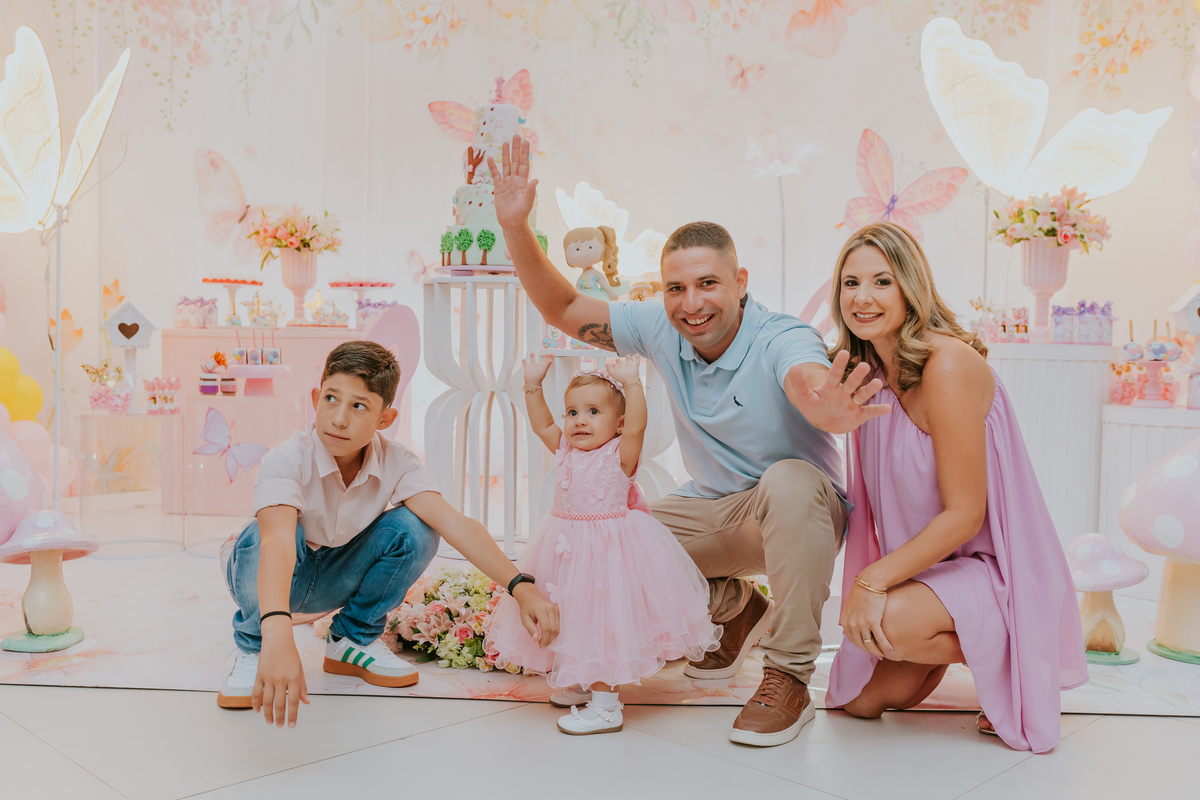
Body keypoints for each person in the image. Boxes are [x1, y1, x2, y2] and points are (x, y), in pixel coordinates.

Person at [488, 135, 888, 747]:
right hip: (710, 509)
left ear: (740, 281)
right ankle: (734, 608)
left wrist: (827, 405)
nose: (692, 304)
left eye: (708, 284)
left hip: (794, 512)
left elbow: (807, 380)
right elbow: (565, 305)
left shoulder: (782, 336)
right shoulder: (657, 326)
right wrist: (516, 227)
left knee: (789, 477)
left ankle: (787, 677)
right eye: (677, 288)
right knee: (605, 531)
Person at [823, 222, 1088, 753]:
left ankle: (1019, 642)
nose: (863, 297)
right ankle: (976, 646)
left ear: (910, 287)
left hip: (992, 571)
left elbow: (966, 515)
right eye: (850, 283)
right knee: (861, 703)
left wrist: (872, 582)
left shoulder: (947, 365)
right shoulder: (866, 372)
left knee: (889, 624)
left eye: (882, 281)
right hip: (931, 571)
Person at [216, 341, 559, 728]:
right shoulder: (285, 459)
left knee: (419, 527)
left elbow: (455, 523)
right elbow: (277, 543)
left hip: (334, 575)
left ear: (385, 417)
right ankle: (254, 644)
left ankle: (351, 640)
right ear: (316, 398)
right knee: (267, 532)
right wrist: (277, 632)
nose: (339, 418)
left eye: (359, 405)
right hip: (270, 580)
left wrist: (520, 585)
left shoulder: (398, 462)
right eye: (331, 398)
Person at [485, 354, 722, 735]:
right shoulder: (566, 450)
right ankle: (579, 676)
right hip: (564, 547)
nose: (579, 420)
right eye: (573, 412)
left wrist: (632, 383)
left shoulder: (619, 454)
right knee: (573, 615)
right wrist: (531, 385)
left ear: (619, 424)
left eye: (593, 411)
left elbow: (639, 426)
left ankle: (607, 705)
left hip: (607, 553)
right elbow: (541, 422)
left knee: (604, 620)